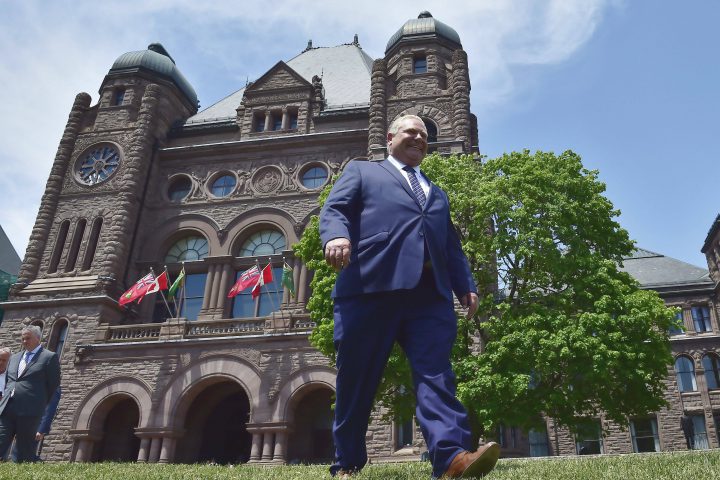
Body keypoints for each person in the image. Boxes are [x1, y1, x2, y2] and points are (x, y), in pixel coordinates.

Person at [320, 115, 500, 478]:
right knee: (357, 379)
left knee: (437, 375)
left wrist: (465, 285)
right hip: (371, 288)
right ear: (390, 138)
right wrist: (336, 236)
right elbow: (335, 209)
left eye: (424, 135)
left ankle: (451, 458)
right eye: (411, 132)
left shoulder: (437, 193)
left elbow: (450, 244)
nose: (419, 138)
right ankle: (348, 462)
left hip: (428, 298)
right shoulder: (362, 172)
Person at [0, 326, 61, 462]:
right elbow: (9, 382)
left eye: (28, 338)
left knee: (23, 454)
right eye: (22, 338)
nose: (24, 341)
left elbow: (53, 387)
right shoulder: (14, 358)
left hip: (30, 412)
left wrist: (39, 406)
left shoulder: (49, 357)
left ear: (38, 339)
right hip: (8, 409)